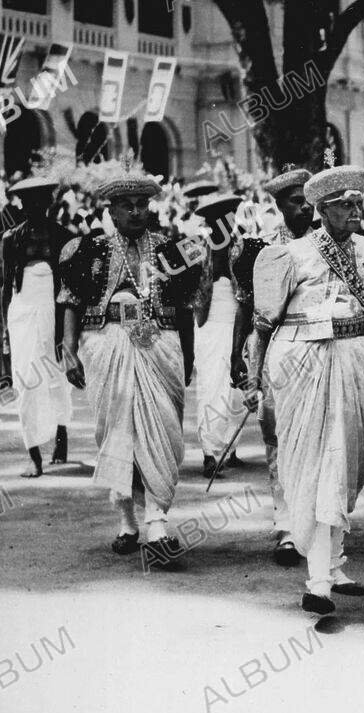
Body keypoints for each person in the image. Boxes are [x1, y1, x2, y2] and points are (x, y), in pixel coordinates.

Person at [251, 161, 364, 614]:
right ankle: (317, 583)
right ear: (322, 210)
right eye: (344, 205)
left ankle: (333, 563)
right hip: (304, 366)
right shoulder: (290, 254)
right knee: (315, 464)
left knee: (349, 459)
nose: (354, 210)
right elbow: (264, 324)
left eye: (357, 202)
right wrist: (257, 378)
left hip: (357, 362)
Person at [58, 157, 200, 566]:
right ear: (111, 210)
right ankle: (127, 521)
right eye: (128, 205)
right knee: (116, 431)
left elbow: (187, 307)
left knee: (162, 430)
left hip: (161, 345)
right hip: (107, 344)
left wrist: (186, 355)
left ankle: (158, 522)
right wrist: (69, 352)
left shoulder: (174, 248)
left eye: (142, 203)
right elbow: (70, 301)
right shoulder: (88, 249)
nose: (137, 211)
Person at [229, 166, 313, 567]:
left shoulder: (328, 246)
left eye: (309, 199)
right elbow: (245, 305)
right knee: (277, 441)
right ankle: (285, 527)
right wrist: (239, 359)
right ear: (279, 206)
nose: (306, 208)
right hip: (274, 356)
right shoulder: (258, 251)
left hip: (319, 358)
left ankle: (315, 523)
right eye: (296, 201)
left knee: (316, 441)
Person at [1, 177, 74, 477]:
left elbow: (71, 287)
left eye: (39, 202)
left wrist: (69, 329)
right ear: (21, 205)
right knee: (26, 379)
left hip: (54, 312)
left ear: (48, 204)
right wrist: (4, 326)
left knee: (57, 377)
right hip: (22, 313)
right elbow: (6, 286)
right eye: (27, 202)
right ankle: (34, 454)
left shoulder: (63, 237)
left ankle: (61, 433)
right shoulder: (10, 239)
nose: (33, 207)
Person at [191, 193, 245, 478]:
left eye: (231, 218)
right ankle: (209, 453)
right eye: (221, 219)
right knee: (211, 386)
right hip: (208, 323)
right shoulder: (196, 248)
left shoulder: (243, 246)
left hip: (236, 321)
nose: (228, 223)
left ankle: (230, 448)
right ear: (211, 223)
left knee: (235, 389)